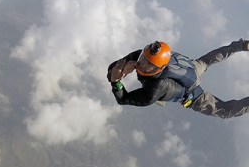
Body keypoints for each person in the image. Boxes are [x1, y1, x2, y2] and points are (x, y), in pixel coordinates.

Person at [107, 39, 249, 119]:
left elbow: (123, 99)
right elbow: (112, 68)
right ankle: (241, 45)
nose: (142, 65)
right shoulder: (142, 55)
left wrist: (116, 82)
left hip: (193, 97)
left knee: (223, 110)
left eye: (149, 65)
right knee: (206, 61)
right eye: (144, 58)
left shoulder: (154, 89)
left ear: (159, 68)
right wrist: (121, 67)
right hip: (191, 68)